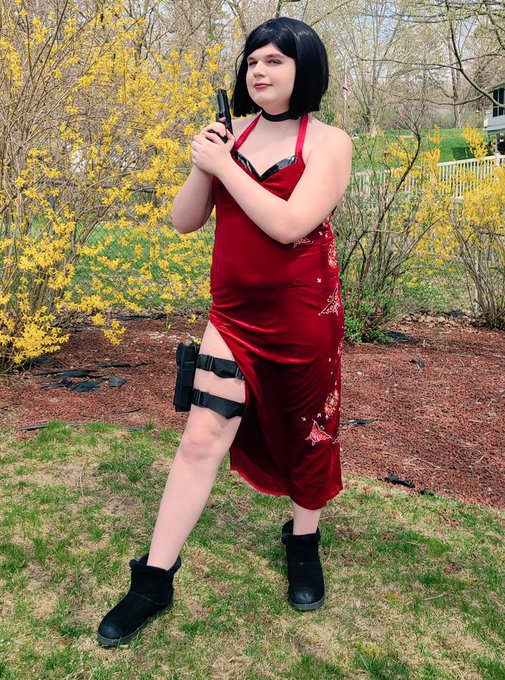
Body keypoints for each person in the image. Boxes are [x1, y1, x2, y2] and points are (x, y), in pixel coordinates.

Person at [97, 16, 352, 647]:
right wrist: (203, 164)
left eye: (274, 60)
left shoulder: (328, 142)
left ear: (304, 68)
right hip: (232, 318)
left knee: (307, 434)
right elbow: (185, 221)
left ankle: (303, 540)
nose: (259, 70)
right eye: (252, 60)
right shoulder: (227, 135)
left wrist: (225, 165)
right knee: (200, 438)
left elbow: (290, 225)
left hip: (304, 318)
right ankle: (154, 580)